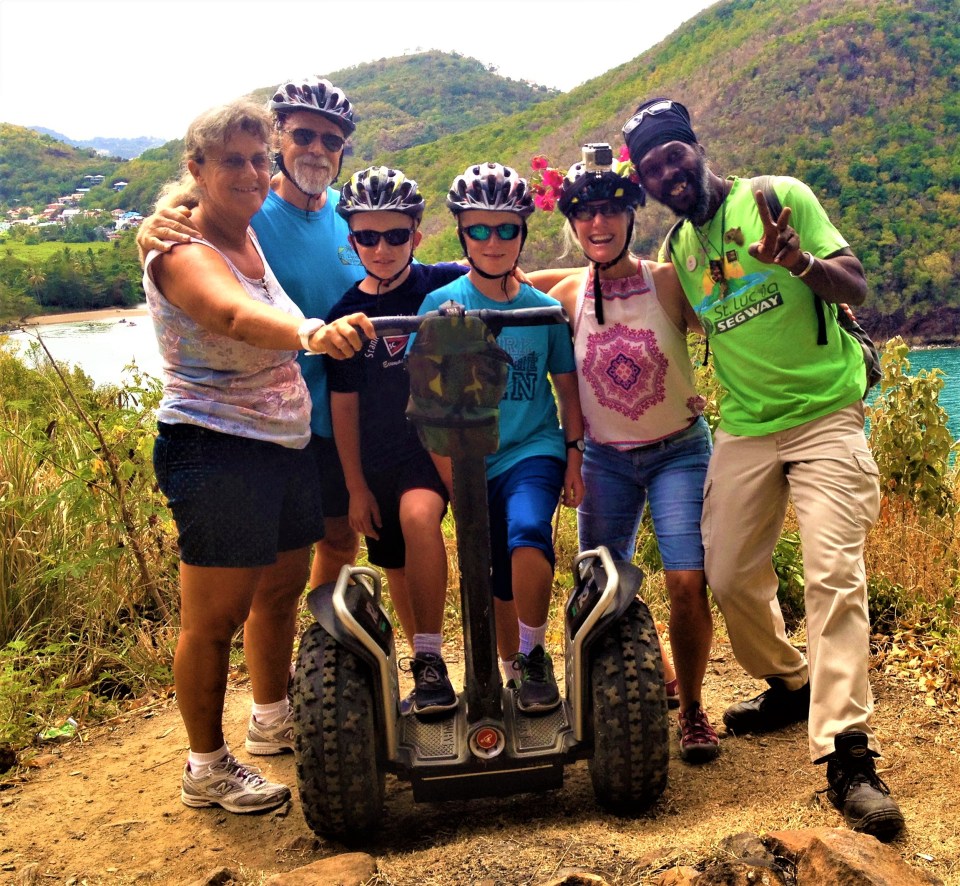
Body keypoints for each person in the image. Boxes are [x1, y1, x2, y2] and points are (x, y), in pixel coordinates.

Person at [623, 97, 904, 838]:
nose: (665, 172)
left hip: (826, 419)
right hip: (745, 430)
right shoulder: (678, 253)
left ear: (695, 147)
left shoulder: (777, 198)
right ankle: (789, 680)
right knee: (729, 575)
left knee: (833, 574)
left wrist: (799, 261)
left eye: (671, 155)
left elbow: (856, 283)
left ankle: (849, 753)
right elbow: (615, 293)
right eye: (650, 168)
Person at [142, 99, 373, 813]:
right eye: (231, 161)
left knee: (278, 592)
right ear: (197, 170)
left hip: (283, 445)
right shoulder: (180, 249)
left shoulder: (250, 234)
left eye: (256, 159)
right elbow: (231, 315)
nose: (249, 172)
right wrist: (310, 334)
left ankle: (272, 718)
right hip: (216, 449)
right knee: (212, 620)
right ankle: (206, 765)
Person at [137, 77, 367, 591]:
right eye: (304, 136)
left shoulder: (354, 218)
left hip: (333, 415)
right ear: (280, 140)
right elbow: (200, 263)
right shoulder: (248, 208)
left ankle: (317, 664)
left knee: (337, 545)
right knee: (253, 591)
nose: (317, 150)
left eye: (332, 141)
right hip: (247, 427)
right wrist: (150, 225)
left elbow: (399, 274)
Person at [545, 144, 719, 762]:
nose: (598, 224)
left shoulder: (668, 283)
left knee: (686, 579)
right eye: (585, 213)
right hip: (604, 459)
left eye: (610, 211)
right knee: (598, 583)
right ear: (572, 224)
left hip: (678, 451)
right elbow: (499, 282)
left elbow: (733, 315)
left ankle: (695, 708)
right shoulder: (566, 292)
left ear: (629, 217)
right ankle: (654, 675)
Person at [416, 162, 585, 714]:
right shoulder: (440, 307)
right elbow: (430, 409)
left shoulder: (542, 309)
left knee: (528, 530)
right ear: (462, 233)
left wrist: (574, 457)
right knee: (489, 569)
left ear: (523, 233)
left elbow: (567, 389)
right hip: (468, 458)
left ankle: (535, 656)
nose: (493, 241)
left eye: (506, 229)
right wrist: (453, 483)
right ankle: (509, 671)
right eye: (480, 229)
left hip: (532, 448)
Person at [326, 166, 470, 715]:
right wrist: (355, 486)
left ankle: (431, 658)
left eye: (395, 235)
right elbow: (344, 406)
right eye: (367, 236)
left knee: (418, 519)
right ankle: (427, 668)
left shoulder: (438, 284)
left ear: (415, 233)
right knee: (396, 564)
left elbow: (500, 279)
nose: (382, 248)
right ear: (353, 239)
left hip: (427, 450)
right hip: (375, 457)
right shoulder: (344, 314)